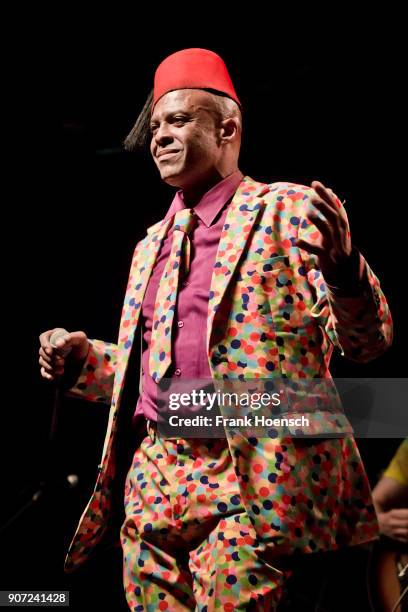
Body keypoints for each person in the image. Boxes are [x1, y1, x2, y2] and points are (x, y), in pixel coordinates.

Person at [39, 48, 393, 611]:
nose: (159, 136)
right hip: (154, 482)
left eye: (177, 120)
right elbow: (158, 374)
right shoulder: (149, 245)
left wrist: (346, 273)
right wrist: (85, 360)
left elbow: (368, 345)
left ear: (227, 127)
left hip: (248, 476)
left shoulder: (288, 212)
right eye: (155, 125)